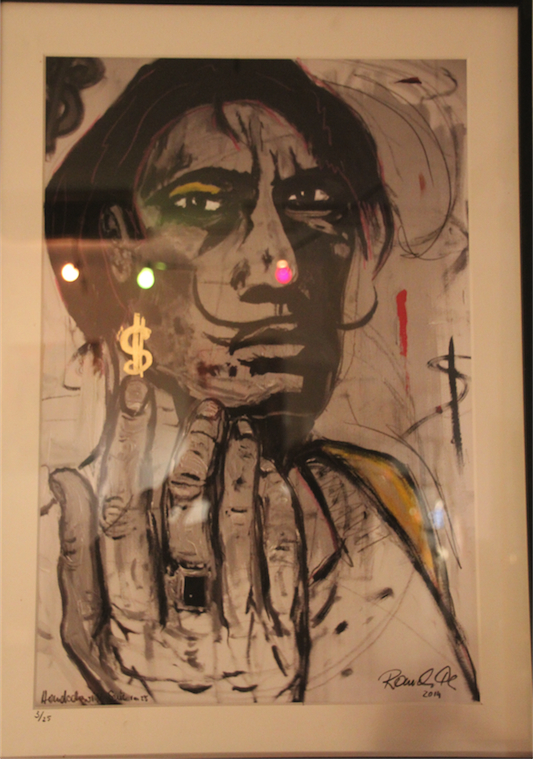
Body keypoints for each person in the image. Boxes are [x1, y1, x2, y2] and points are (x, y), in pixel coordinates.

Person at [43, 59, 478, 705]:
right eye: (202, 202)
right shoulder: (42, 550)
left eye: (315, 205)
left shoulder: (376, 502)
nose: (280, 264)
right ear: (119, 245)